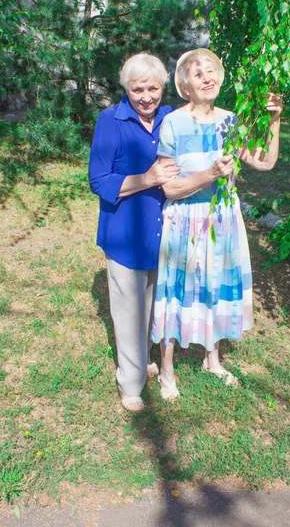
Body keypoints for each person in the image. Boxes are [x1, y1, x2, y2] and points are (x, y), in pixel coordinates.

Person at [151, 48, 283, 400]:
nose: (207, 77)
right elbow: (170, 187)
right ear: (184, 86)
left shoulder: (232, 121)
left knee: (214, 285)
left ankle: (212, 358)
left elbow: (265, 162)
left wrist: (274, 120)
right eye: (198, 74)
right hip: (185, 218)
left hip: (223, 217)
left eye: (212, 71)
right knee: (177, 290)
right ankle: (167, 369)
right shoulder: (173, 124)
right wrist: (208, 174)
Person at [89, 53, 180, 412]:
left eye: (153, 88)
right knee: (129, 311)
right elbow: (99, 179)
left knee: (153, 305)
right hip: (125, 232)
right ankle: (130, 382)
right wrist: (148, 179)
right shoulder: (111, 120)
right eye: (137, 89)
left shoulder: (173, 117)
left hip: (166, 230)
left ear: (163, 86)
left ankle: (142, 361)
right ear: (126, 89)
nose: (145, 96)